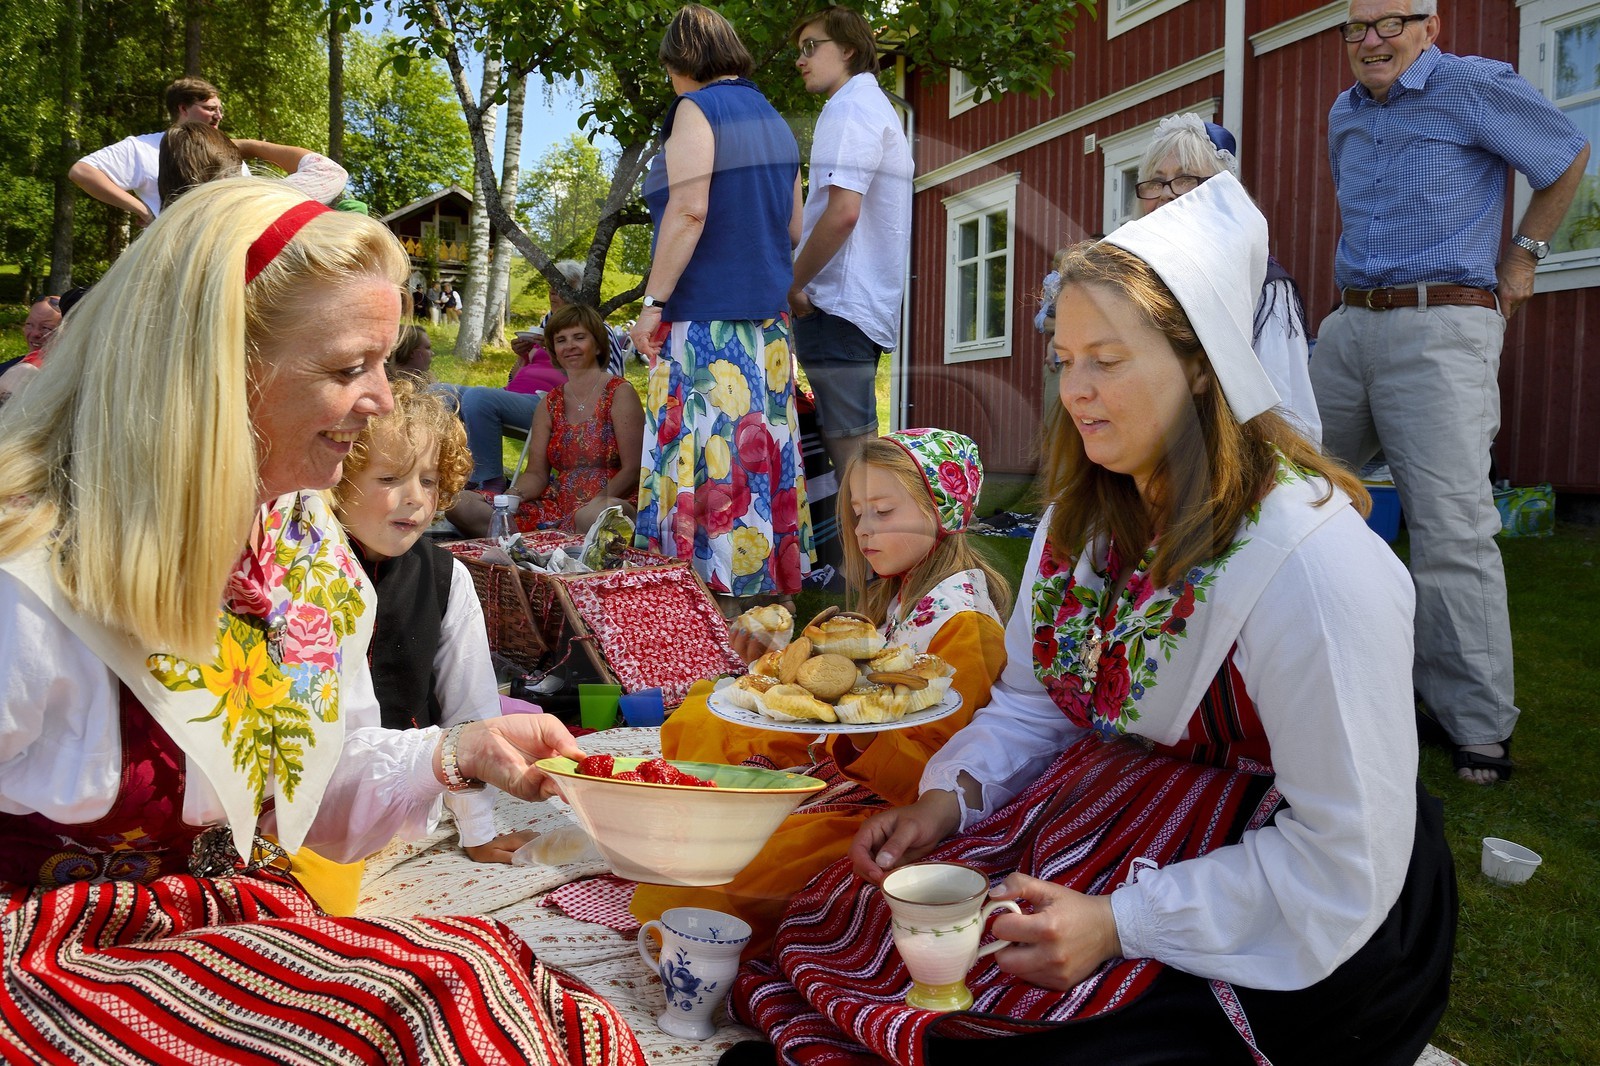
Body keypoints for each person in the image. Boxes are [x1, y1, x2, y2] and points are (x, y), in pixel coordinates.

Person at [727, 174, 1455, 1066]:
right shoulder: (1082, 527)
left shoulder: (1314, 567)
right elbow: (1037, 703)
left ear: (1200, 363)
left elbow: (1346, 853)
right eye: (1065, 359)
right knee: (856, 923)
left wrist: (1120, 924)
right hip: (1121, 813)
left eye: (1106, 359)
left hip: (1292, 891)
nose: (1076, 390)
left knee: (1029, 1036)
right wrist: (943, 803)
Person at [0, 178, 644, 1063]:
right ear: (211, 368)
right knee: (424, 1010)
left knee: (502, 993)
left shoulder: (298, 532)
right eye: (349, 368)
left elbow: (314, 781)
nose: (382, 398)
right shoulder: (28, 561)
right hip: (45, 958)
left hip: (214, 921)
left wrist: (454, 751)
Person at [1316, 0, 1590, 784]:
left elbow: (1565, 153)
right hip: (1348, 327)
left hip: (1442, 326)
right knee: (1293, 502)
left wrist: (1525, 257)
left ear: (1428, 26)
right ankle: (1319, 684)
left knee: (1451, 530)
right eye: (1355, 29)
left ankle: (1475, 726)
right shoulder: (1344, 110)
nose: (1371, 41)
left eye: (1388, 24)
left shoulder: (1471, 86)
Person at [631, 429, 1010, 958]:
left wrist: (855, 737)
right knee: (705, 709)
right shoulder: (902, 596)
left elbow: (933, 763)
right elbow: (837, 679)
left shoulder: (965, 626)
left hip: (894, 801)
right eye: (857, 514)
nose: (862, 531)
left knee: (738, 872)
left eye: (882, 512)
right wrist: (779, 659)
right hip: (842, 758)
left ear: (941, 513)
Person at [630, 4, 813, 613]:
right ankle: (762, 625)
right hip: (770, 335)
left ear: (682, 62)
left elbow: (689, 210)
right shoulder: (778, 124)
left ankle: (697, 625)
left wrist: (652, 305)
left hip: (707, 325)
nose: (670, 84)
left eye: (669, 71)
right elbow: (792, 226)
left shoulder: (695, 109)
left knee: (700, 465)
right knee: (757, 470)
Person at [334, 377, 536, 863]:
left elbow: (472, 709)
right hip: (306, 804)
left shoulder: (447, 578)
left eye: (428, 480)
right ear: (336, 477)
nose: (416, 498)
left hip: (406, 810)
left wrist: (478, 830)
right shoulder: (300, 568)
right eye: (389, 479)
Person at [1135, 112, 1321, 441]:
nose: (1166, 194)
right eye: (1156, 181)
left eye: (1186, 180)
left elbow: (1284, 407)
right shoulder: (1139, 282)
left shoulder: (1265, 287)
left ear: (1222, 194)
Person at [786, 6, 914, 475]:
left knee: (855, 469)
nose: (801, 60)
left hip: (836, 305)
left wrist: (791, 284)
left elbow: (842, 213)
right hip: (853, 306)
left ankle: (868, 551)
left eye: (811, 47)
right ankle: (865, 548)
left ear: (849, 50)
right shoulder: (872, 107)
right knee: (861, 458)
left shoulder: (850, 108)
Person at [449, 304, 644, 537]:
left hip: (610, 499)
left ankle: (546, 545)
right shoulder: (550, 402)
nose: (570, 346)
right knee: (459, 504)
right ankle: (539, 549)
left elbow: (633, 469)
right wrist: (514, 494)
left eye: (579, 338)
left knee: (594, 516)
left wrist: (593, 502)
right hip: (558, 502)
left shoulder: (619, 393)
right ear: (553, 350)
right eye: (561, 340)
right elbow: (536, 474)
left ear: (598, 346)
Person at [68, 76, 224, 226]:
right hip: (175, 249)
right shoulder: (144, 148)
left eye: (220, 110)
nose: (219, 116)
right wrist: (144, 211)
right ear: (183, 108)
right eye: (210, 109)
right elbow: (82, 172)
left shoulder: (224, 151)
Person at [157, 119, 349, 210]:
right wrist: (249, 146)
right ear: (226, 177)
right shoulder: (250, 206)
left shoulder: (157, 235)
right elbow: (329, 171)